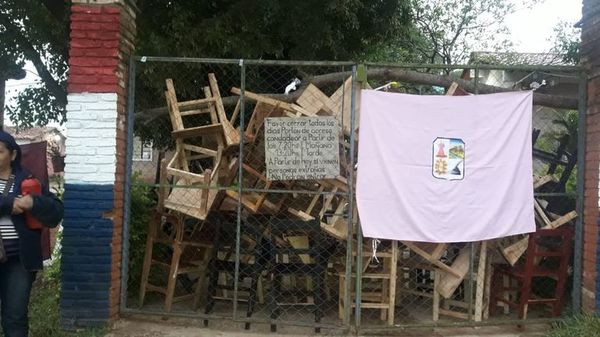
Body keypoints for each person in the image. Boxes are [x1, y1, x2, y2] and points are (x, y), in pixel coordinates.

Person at [0, 131, 64, 337]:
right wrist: (12, 203)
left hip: (20, 260)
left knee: (15, 317)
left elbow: (56, 212)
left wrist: (33, 202)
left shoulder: (27, 180)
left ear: (12, 155)